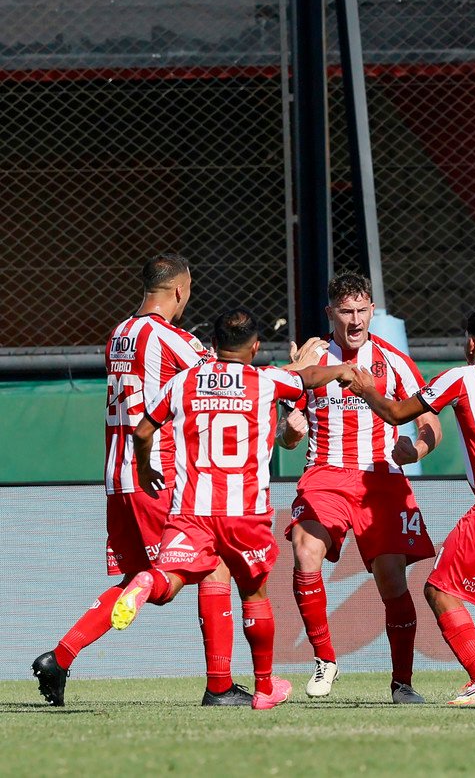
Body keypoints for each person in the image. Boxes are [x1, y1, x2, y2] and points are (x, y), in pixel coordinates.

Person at [32, 254, 324, 708]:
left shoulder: (120, 334)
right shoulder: (172, 339)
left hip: (117, 473)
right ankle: (220, 686)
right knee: (207, 568)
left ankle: (61, 656)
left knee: (142, 577)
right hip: (159, 473)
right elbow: (229, 375)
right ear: (179, 293)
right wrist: (300, 368)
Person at [110, 307, 355, 709]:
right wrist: (341, 371)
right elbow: (307, 377)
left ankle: (144, 584)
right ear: (256, 347)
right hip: (244, 511)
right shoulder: (265, 380)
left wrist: (144, 465)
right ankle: (263, 687)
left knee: (170, 580)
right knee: (254, 593)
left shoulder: (182, 382)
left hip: (192, 510)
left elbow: (141, 430)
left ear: (212, 345)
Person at [348, 308, 475, 706]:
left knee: (440, 589)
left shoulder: (462, 377)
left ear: (471, 343)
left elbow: (396, 413)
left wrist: (363, 387)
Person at [283, 271, 441, 704]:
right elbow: (287, 430)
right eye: (345, 311)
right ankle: (325, 659)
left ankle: (403, 683)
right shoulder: (313, 361)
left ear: (372, 309)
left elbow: (430, 419)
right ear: (329, 312)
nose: (355, 320)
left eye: (361, 310)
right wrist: (290, 432)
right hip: (325, 474)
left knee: (392, 581)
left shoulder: (393, 360)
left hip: (381, 479)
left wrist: (420, 448)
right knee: (304, 551)